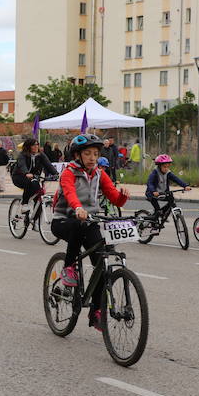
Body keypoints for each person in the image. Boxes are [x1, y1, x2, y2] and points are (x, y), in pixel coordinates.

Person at [51, 134, 129, 330]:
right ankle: (69, 268)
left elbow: (113, 197)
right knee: (78, 225)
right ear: (78, 155)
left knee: (101, 262)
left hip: (89, 220)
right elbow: (69, 192)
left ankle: (96, 311)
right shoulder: (69, 172)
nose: (92, 157)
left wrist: (123, 197)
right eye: (87, 153)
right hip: (64, 220)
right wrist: (78, 208)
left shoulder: (100, 173)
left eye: (95, 153)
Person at [12, 138, 58, 212]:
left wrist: (56, 174)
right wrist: (26, 173)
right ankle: (25, 204)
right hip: (19, 177)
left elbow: (48, 165)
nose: (36, 146)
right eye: (33, 145)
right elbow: (22, 165)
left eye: (37, 144)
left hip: (34, 178)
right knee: (28, 182)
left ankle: (35, 220)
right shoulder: (22, 155)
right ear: (28, 146)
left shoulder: (40, 155)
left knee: (39, 199)